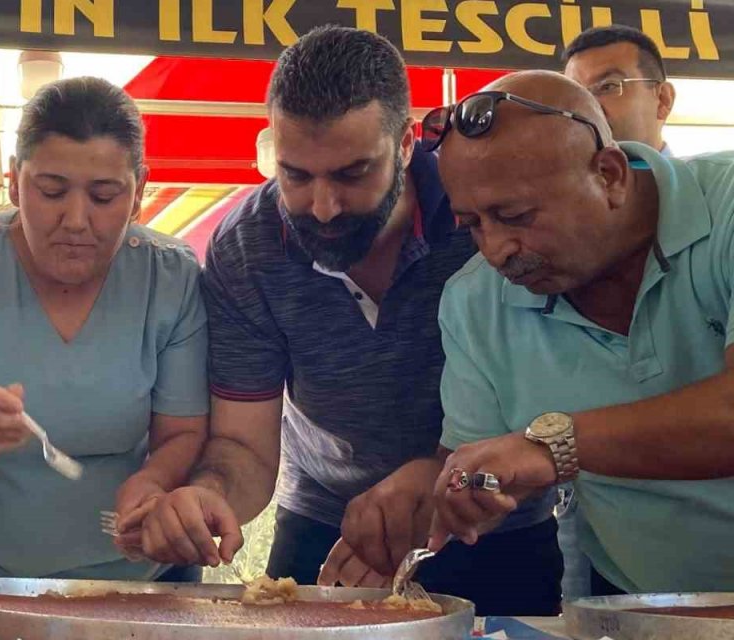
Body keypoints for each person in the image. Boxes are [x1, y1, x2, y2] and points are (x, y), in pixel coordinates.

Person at [135, 26, 561, 615]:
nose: (323, 206)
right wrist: (207, 497)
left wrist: (441, 476)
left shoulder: (484, 217)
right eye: (295, 175)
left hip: (498, 520)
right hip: (325, 520)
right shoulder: (246, 249)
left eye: (352, 174)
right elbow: (243, 443)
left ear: (408, 143)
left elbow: (551, 390)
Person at [427, 69, 734, 595]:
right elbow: (484, 465)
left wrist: (554, 445)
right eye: (473, 224)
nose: (497, 249)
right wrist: (448, 492)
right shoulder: (474, 300)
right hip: (636, 605)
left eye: (515, 215)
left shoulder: (725, 208)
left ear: (610, 174)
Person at [0, 76, 209, 581]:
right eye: (51, 191)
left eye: (105, 196)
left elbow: (184, 431)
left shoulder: (169, 277)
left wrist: (152, 481)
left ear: (139, 193)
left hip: (147, 584)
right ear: (15, 181)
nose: (77, 220)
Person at [563, 25, 676, 155]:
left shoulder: (700, 174)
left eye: (608, 86)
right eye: (576, 93)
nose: (586, 107)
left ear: (663, 100)